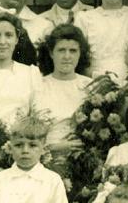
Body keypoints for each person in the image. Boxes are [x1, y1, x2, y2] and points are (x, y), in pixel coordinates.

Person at [35, 24, 92, 168]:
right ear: (51, 53)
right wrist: (54, 148)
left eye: (73, 51)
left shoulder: (90, 87)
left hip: (82, 161)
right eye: (61, 50)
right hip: (45, 159)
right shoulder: (38, 86)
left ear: (80, 53)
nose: (67, 56)